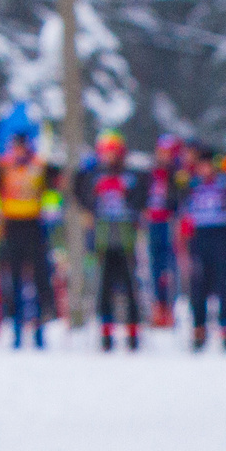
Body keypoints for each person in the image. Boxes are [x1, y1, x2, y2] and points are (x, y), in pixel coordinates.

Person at [0, 129, 59, 349]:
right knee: (14, 280)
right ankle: (17, 330)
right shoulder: (4, 166)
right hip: (12, 226)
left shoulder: (38, 166)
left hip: (35, 226)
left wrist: (50, 208)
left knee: (40, 278)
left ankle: (40, 330)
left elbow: (52, 190)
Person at [79, 131, 143, 351]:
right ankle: (106, 332)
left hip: (125, 237)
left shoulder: (130, 175)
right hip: (103, 238)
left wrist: (126, 195)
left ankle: (133, 332)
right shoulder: (94, 174)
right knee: (103, 287)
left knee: (130, 285)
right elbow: (82, 195)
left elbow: (140, 199)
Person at [182, 145, 226, 350]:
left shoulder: (223, 183)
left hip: (221, 235)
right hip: (200, 236)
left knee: (224, 282)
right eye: (201, 166)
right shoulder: (191, 183)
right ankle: (199, 326)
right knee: (199, 283)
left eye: (208, 165)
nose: (205, 170)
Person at [146, 135, 183, 329]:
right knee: (154, 266)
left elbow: (179, 199)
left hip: (169, 223)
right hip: (152, 223)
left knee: (169, 267)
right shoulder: (150, 173)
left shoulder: (176, 175)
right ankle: (157, 307)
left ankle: (169, 307)